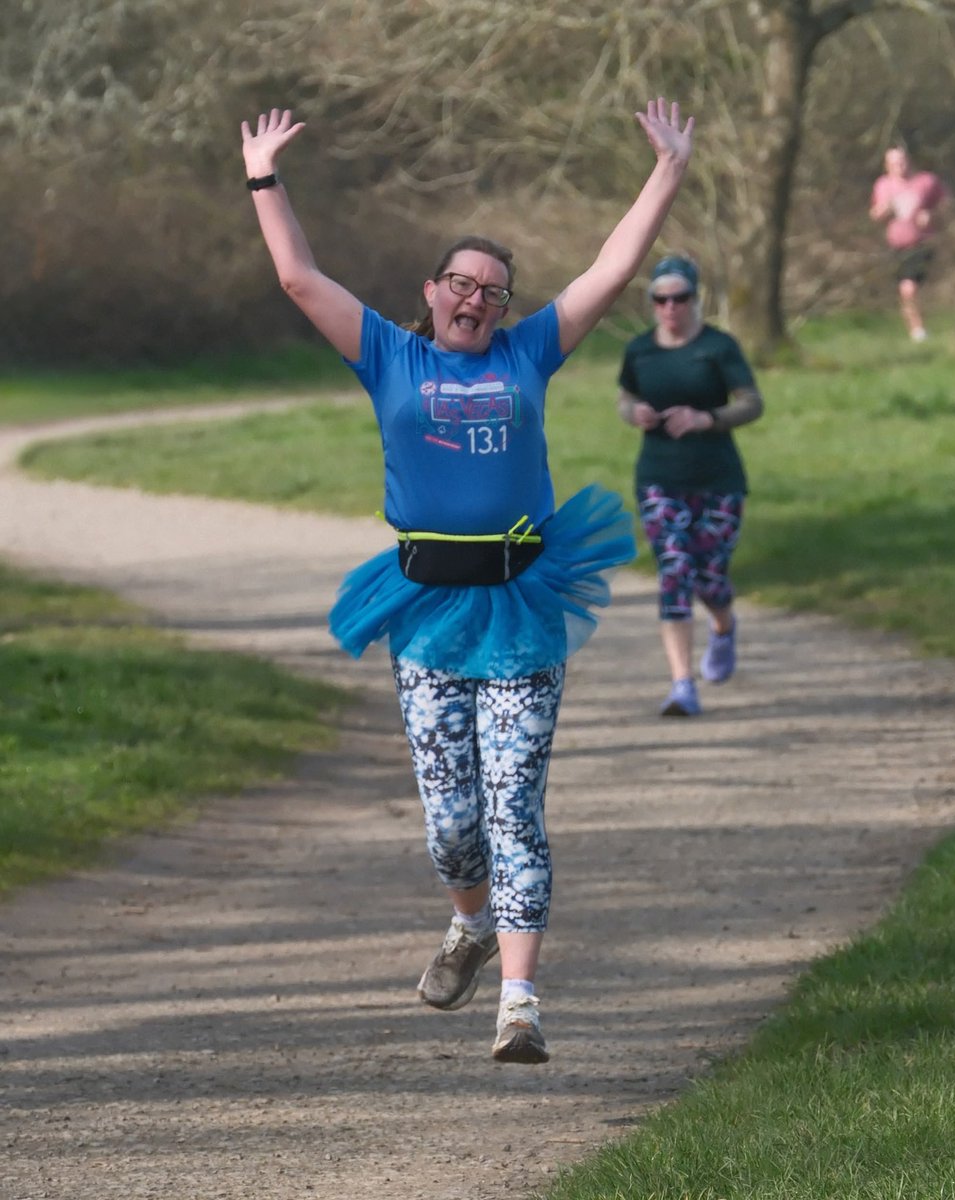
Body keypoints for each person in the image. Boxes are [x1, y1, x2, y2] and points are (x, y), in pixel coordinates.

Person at [240, 98, 694, 1065]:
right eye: (461, 282)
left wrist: (669, 169)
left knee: (513, 806)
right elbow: (297, 276)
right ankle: (471, 924)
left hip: (522, 606)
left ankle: (520, 1003)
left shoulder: (532, 350)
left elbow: (611, 270)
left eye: (494, 288)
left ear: (506, 307)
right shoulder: (389, 356)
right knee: (453, 826)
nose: (477, 297)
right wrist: (264, 176)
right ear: (433, 290)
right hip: (426, 609)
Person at [617, 254, 763, 718]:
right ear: (652, 302)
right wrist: (633, 413)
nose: (670, 307)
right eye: (661, 298)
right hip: (660, 479)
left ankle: (723, 628)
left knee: (710, 577)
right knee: (675, 570)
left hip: (718, 481)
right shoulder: (640, 350)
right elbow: (626, 397)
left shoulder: (718, 347)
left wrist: (708, 418)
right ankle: (682, 684)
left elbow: (752, 402)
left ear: (695, 299)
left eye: (680, 298)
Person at [869, 145, 949, 342]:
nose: (900, 166)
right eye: (894, 163)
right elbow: (875, 215)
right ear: (887, 166)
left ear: (909, 160)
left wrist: (932, 215)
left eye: (902, 161)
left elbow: (948, 205)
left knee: (909, 288)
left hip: (922, 242)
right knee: (905, 290)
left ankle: (918, 331)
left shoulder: (926, 181)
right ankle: (915, 328)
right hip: (896, 245)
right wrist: (884, 210)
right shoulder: (883, 185)